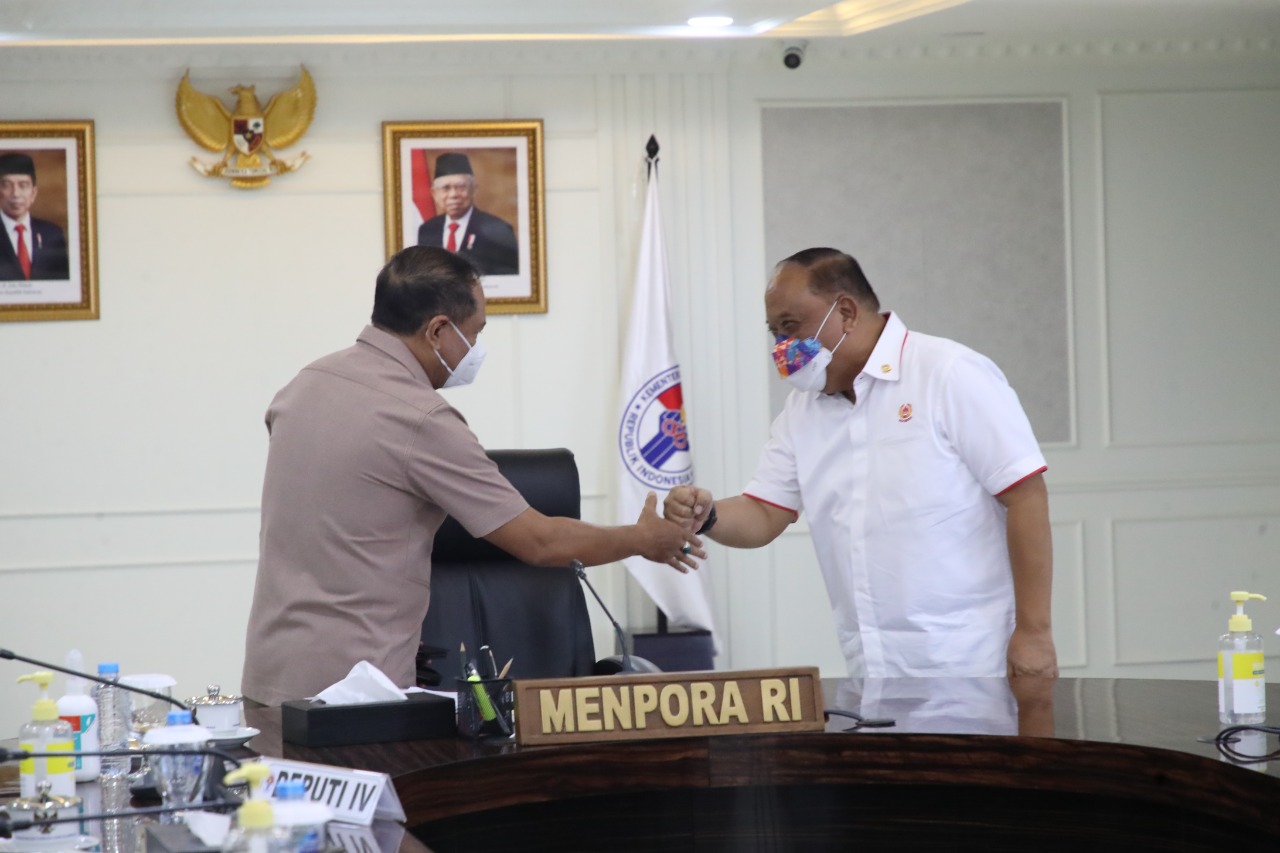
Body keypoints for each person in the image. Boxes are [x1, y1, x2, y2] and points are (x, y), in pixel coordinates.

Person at [242, 246, 701, 705]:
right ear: (438, 330)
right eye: (475, 332)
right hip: (354, 698)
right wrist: (642, 539)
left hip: (269, 680)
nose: (476, 349)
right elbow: (539, 542)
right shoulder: (420, 418)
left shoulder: (304, 385)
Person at [665, 248, 1057, 679]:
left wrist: (1034, 632)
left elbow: (1025, 496)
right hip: (872, 665)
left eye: (790, 327)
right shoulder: (802, 412)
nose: (782, 348)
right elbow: (764, 513)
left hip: (971, 658)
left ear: (846, 312)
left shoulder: (948, 373)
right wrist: (709, 514)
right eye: (775, 333)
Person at [416, 152, 519, 276]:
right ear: (434, 193)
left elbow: (510, 281)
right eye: (446, 188)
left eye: (460, 187)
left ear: (473, 189)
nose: (453, 195)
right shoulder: (427, 230)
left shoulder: (499, 230)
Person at [0, 153, 69, 281]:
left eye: (23, 185)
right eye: (7, 185)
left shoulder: (53, 234)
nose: (15, 194)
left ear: (33, 193)